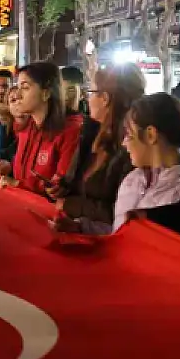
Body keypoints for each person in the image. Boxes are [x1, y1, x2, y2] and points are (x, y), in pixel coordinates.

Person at [52, 63, 146, 235]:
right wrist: (63, 187)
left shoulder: (130, 146)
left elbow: (120, 213)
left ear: (105, 98)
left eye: (91, 92)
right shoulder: (91, 134)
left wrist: (72, 205)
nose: (87, 98)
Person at [113, 93, 180, 235]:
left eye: (128, 135)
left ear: (150, 135)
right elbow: (116, 236)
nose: (124, 143)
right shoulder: (131, 180)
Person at [0, 63, 82, 193]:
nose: (17, 94)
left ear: (46, 94)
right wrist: (10, 167)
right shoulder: (28, 126)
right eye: (18, 87)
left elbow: (58, 188)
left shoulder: (70, 131)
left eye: (25, 88)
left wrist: (19, 184)